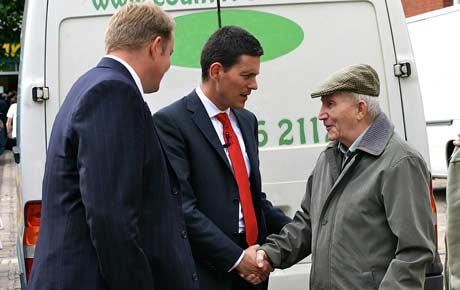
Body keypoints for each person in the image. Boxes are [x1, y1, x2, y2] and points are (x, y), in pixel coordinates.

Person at [27, 3, 198, 290]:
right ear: (156, 46)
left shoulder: (91, 83)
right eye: (170, 54)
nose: (168, 64)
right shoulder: (113, 92)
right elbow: (112, 219)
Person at [255, 64, 435, 289]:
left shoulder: (400, 162)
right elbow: (309, 223)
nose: (321, 115)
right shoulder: (330, 157)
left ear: (360, 109)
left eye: (330, 104)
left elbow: (415, 251)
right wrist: (270, 254)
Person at [153, 26, 291, 290]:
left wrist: (304, 233)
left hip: (254, 273)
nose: (254, 85)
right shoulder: (170, 124)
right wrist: (237, 259)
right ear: (216, 71)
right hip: (207, 275)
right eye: (247, 75)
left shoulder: (247, 121)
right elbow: (182, 209)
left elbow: (251, 198)